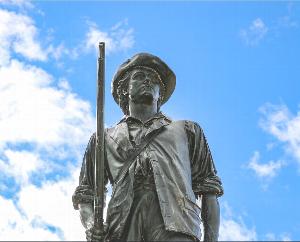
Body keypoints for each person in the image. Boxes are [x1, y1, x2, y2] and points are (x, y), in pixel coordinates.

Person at [72, 53, 224, 241]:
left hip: (177, 228)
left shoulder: (187, 131)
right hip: (122, 230)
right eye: (139, 77)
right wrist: (90, 226)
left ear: (160, 93)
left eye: (154, 80)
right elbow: (86, 194)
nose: (148, 81)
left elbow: (209, 190)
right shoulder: (103, 139)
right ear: (124, 89)